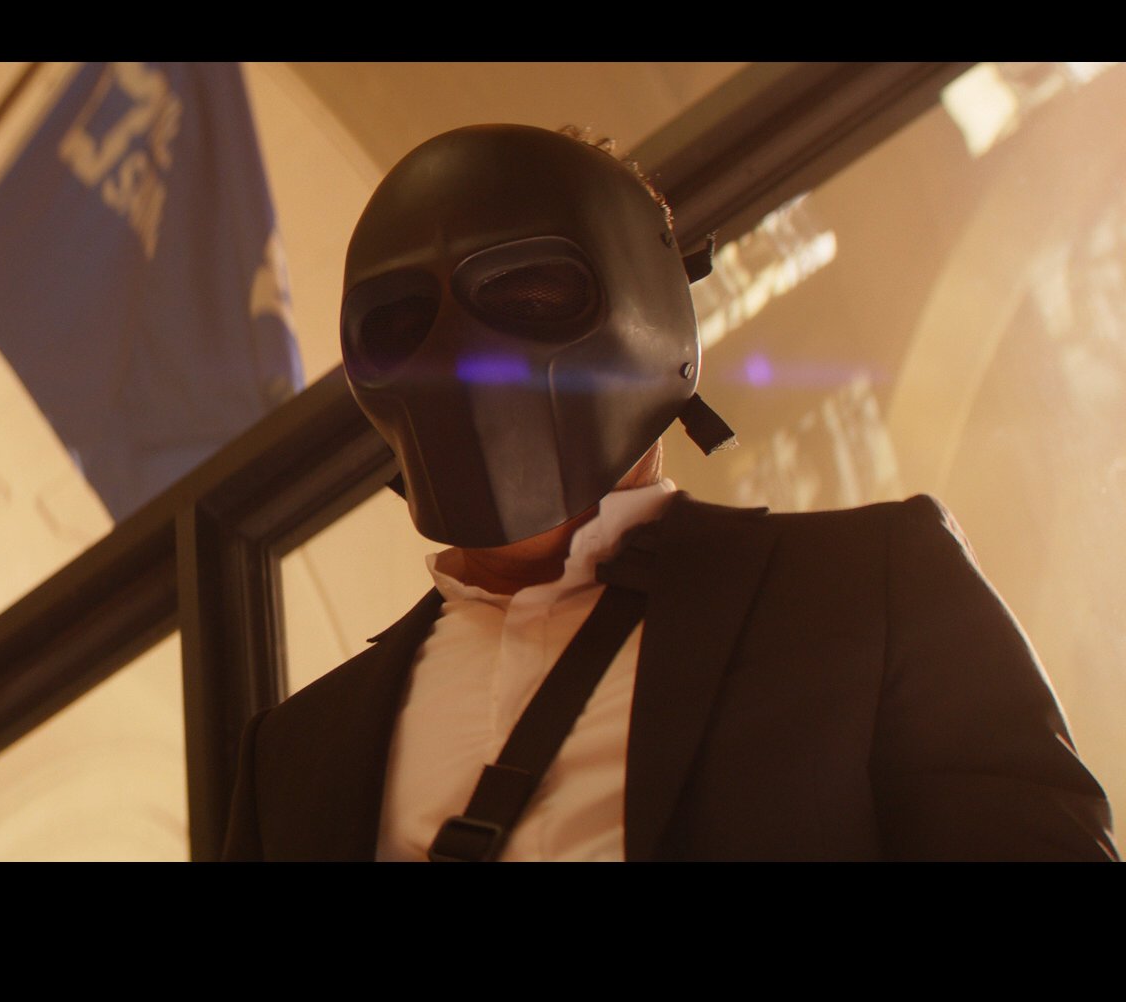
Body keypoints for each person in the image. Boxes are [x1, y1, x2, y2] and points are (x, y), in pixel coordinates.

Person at [221, 123, 1117, 861]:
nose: (463, 354)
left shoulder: (868, 596)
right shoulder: (295, 756)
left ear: (650, 310)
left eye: (530, 295)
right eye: (404, 320)